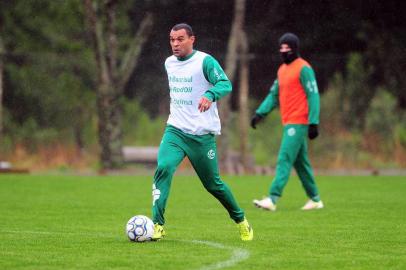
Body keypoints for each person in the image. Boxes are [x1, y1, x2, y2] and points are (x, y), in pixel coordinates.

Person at [151, 23, 253, 241]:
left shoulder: (204, 61)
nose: (175, 44)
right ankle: (157, 225)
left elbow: (225, 84)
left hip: (201, 137)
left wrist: (210, 94)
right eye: (171, 39)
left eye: (180, 39)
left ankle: (241, 220)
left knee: (213, 185)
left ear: (192, 40)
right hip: (175, 131)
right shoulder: (169, 63)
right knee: (164, 168)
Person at [251, 33, 324, 211]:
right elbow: (274, 95)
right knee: (301, 163)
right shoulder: (282, 70)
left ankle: (273, 198)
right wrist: (260, 113)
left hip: (299, 121)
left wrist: (313, 122)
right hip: (288, 121)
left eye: (287, 48)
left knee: (284, 158)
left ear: (294, 48)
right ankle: (315, 199)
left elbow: (313, 95)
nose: (284, 51)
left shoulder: (304, 68)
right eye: (281, 48)